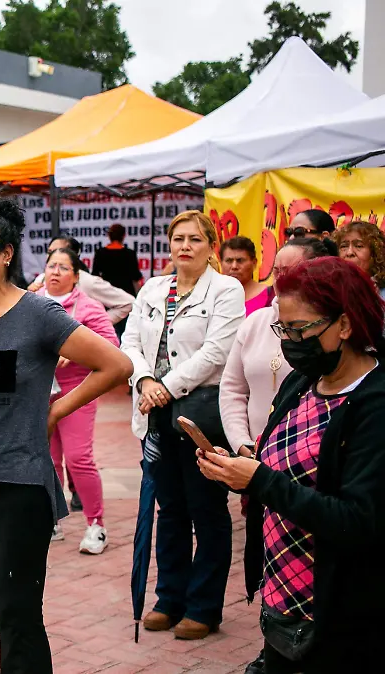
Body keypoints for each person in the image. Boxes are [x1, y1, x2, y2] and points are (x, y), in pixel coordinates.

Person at [0, 195, 131, 673]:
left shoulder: (38, 314)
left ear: (7, 252)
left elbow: (115, 364)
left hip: (18, 486)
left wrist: (56, 411)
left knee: (16, 616)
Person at [199, 257, 385, 671]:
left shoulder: (373, 406)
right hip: (283, 601)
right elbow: (279, 470)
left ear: (345, 325)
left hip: (339, 614)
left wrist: (262, 480)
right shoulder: (303, 383)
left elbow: (358, 520)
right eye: (283, 329)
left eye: (300, 330)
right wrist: (239, 472)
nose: (290, 343)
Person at [123, 210, 245, 641]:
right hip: (155, 412)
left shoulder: (227, 289)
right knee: (169, 508)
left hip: (201, 414)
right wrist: (144, 380)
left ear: (211, 245)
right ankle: (168, 597)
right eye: (178, 239)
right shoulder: (153, 288)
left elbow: (216, 352)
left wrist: (166, 387)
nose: (185, 247)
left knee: (206, 509)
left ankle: (204, 606)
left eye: (195, 239)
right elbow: (130, 341)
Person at [37, 246, 119, 553]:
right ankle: (53, 520)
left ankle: (96, 525)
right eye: (51, 266)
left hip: (76, 391)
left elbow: (112, 347)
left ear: (76, 276)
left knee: (78, 458)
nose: (55, 272)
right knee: (46, 459)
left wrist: (74, 353)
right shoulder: (32, 301)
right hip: (39, 393)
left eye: (63, 267)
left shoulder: (88, 307)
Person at [221, 238, 331, 462]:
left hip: (309, 460)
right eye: (277, 271)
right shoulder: (256, 322)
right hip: (255, 459)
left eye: (291, 272)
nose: (281, 280)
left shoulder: (327, 329)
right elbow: (232, 389)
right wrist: (243, 444)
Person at [28, 236, 134, 324]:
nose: (52, 257)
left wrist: (96, 323)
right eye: (49, 252)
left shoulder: (88, 282)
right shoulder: (41, 279)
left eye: (59, 252)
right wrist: (28, 295)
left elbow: (128, 302)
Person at [332, 220, 385, 298]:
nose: (349, 253)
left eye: (359, 246)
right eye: (344, 246)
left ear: (375, 253)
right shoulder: (330, 290)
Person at [221, 236, 272, 315]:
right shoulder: (212, 296)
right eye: (229, 261)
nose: (234, 266)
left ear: (254, 263)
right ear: (221, 263)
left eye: (240, 260)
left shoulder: (270, 296)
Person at [90, 224, 143, 298]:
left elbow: (95, 276)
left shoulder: (100, 253)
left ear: (109, 235)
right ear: (124, 235)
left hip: (107, 293)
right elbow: (136, 277)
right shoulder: (130, 254)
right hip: (127, 294)